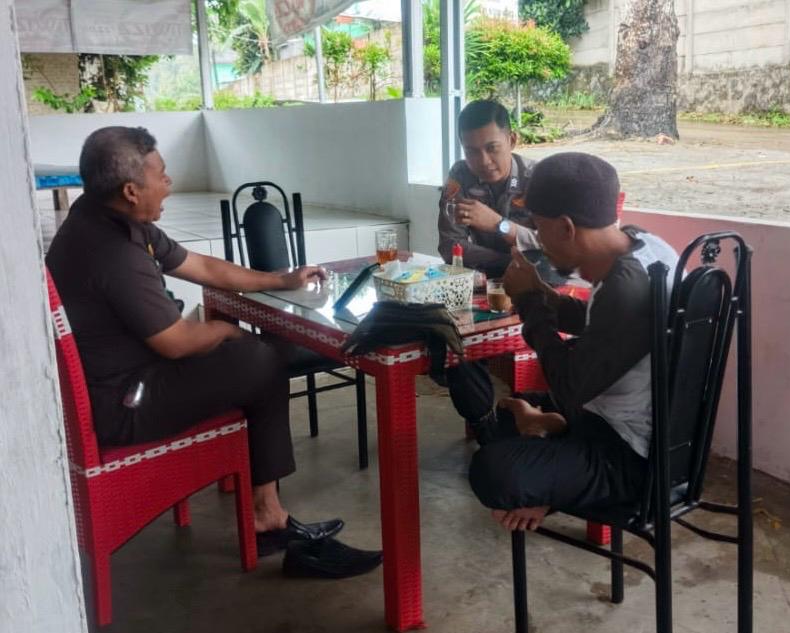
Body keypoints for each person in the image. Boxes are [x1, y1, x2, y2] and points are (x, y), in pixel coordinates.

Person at [45, 126, 382, 578]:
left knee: (255, 360)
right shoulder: (111, 252)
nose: (169, 184)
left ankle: (263, 503)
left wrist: (281, 279)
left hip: (129, 378)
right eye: (161, 175)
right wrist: (224, 331)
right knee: (259, 360)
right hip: (124, 402)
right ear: (130, 190)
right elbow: (175, 341)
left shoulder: (109, 218)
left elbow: (200, 265)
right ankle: (268, 516)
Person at [467, 152, 680, 531]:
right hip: (632, 426)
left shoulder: (625, 289)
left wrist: (529, 303)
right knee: (499, 417)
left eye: (539, 228)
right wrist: (543, 293)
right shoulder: (646, 247)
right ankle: (551, 439)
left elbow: (568, 387)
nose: (538, 241)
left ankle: (550, 471)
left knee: (491, 471)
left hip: (630, 458)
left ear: (566, 227)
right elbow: (605, 327)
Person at [437, 100, 538, 438]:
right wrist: (513, 259)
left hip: (536, 289)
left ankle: (531, 425)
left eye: (492, 147)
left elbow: (553, 250)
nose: (482, 160)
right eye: (471, 151)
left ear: (512, 139)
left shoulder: (538, 180)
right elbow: (452, 249)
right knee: (452, 337)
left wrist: (498, 225)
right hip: (483, 289)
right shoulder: (460, 177)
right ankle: (485, 428)